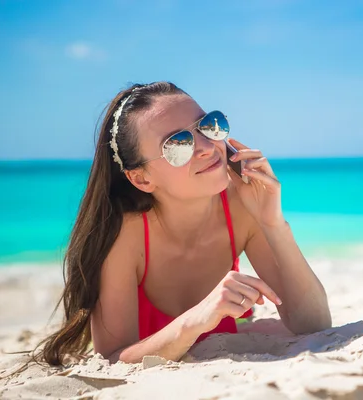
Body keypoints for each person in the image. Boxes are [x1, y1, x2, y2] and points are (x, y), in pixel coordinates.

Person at [39, 81, 331, 366]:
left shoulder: (241, 206)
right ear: (141, 178)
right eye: (178, 143)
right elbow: (112, 358)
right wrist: (195, 320)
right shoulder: (125, 234)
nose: (207, 146)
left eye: (208, 125)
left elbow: (314, 324)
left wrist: (274, 223)